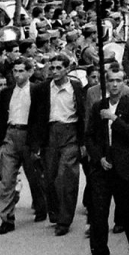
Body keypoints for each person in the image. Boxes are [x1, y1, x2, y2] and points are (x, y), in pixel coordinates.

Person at [85, 67, 129, 255]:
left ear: (124, 82)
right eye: (111, 81)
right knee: (98, 217)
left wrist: (114, 119)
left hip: (124, 169)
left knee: (128, 214)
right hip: (102, 169)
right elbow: (90, 136)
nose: (114, 85)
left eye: (119, 80)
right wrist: (98, 157)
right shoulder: (97, 106)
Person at [0, 58, 48, 234]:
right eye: (15, 71)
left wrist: (37, 143)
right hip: (10, 134)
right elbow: (1, 118)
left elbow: (41, 118)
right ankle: (7, 219)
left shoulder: (37, 91)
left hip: (28, 136)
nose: (18, 75)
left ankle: (41, 207)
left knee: (34, 176)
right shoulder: (7, 93)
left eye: (22, 71)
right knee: (7, 179)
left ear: (30, 72)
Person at [39, 52, 87, 235]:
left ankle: (65, 221)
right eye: (52, 68)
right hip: (50, 135)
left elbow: (82, 115)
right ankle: (56, 214)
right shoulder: (44, 89)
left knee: (66, 178)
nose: (55, 71)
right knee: (50, 178)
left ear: (67, 69)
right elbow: (36, 116)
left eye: (59, 68)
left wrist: (83, 142)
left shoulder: (75, 87)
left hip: (70, 134)